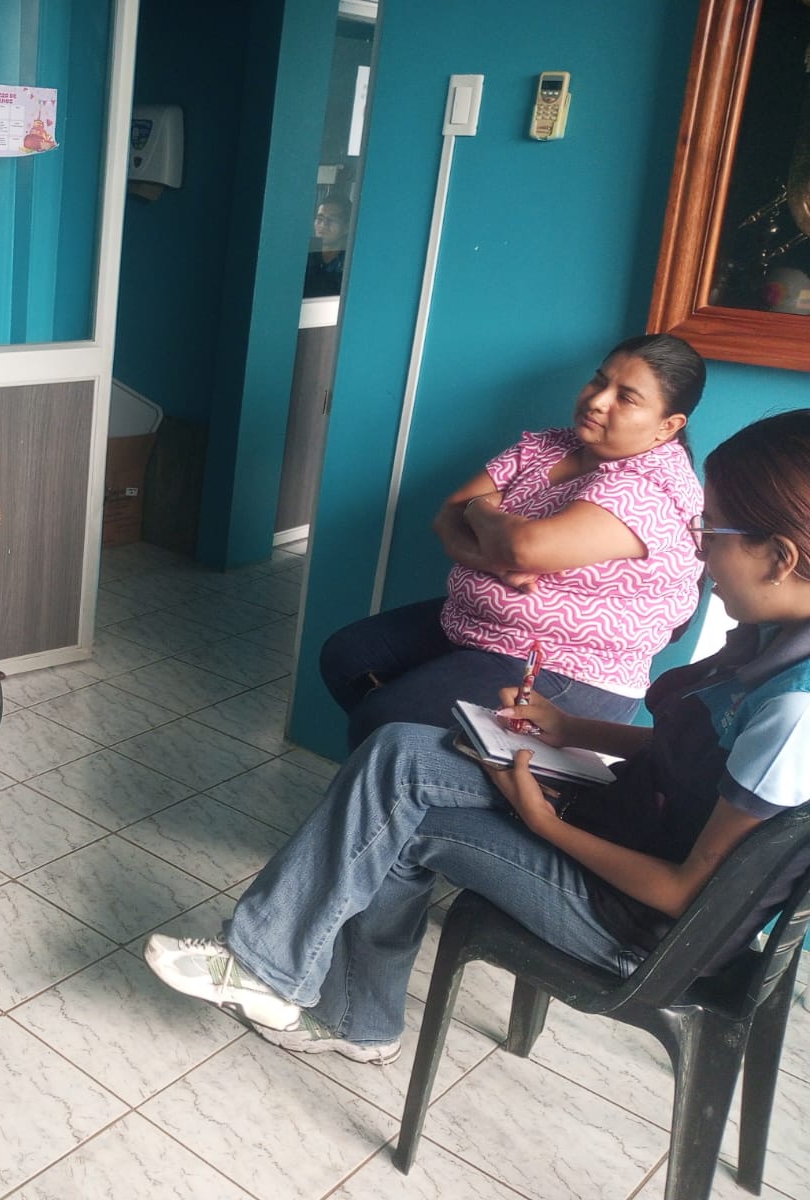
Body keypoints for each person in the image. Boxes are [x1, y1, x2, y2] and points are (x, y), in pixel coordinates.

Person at [146, 409, 810, 1065]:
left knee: (401, 809)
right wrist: (568, 727)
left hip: (637, 928)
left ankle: (295, 985)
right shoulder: (769, 639)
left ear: (780, 558)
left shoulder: (793, 713)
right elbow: (689, 753)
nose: (698, 549)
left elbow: (687, 892)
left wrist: (544, 823)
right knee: (400, 752)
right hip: (626, 827)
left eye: (711, 529)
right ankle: (314, 993)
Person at [320, 333, 706, 751]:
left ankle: (424, 763)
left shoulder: (653, 487)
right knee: (346, 657)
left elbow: (524, 548)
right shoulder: (553, 445)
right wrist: (495, 560)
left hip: (565, 664)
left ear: (668, 426)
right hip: (481, 623)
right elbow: (447, 516)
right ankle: (424, 758)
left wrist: (479, 510)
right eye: (599, 380)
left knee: (384, 719)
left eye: (626, 397)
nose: (597, 400)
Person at [303, 197, 350, 298]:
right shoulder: (304, 253)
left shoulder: (350, 262)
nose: (323, 225)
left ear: (347, 227)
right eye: (320, 218)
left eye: (332, 219)